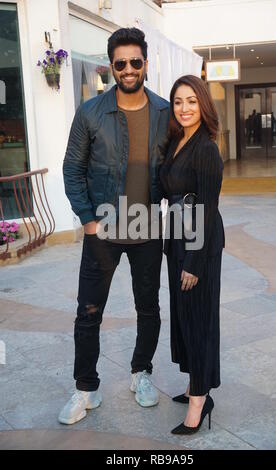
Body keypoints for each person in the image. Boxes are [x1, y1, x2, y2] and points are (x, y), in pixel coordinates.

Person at [60, 27, 169, 425]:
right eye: (120, 63)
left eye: (135, 62)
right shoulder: (91, 112)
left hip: (148, 232)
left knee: (149, 308)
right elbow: (72, 169)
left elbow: (177, 168)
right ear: (111, 66)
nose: (128, 69)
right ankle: (86, 388)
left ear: (145, 64)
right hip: (102, 232)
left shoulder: (163, 111)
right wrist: (88, 221)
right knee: (88, 312)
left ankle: (141, 373)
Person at [159, 75, 225, 435]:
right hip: (177, 240)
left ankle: (201, 398)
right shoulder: (177, 141)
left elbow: (207, 207)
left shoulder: (206, 149)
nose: (184, 108)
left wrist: (195, 263)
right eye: (178, 102)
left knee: (199, 321)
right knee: (184, 318)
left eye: (191, 101)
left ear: (203, 105)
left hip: (200, 245)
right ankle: (193, 383)